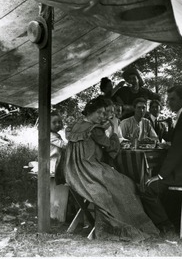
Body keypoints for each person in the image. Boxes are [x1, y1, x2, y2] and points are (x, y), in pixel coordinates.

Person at [58, 97, 159, 241]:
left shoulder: (75, 126)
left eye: (104, 113)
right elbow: (112, 149)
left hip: (72, 172)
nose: (102, 116)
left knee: (117, 183)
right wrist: (114, 132)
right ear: (90, 112)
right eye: (99, 113)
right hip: (89, 170)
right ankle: (127, 223)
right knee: (126, 183)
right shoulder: (94, 129)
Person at [140, 86, 182, 233]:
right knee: (158, 186)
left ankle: (166, 225)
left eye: (173, 99)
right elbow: (180, 145)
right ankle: (172, 221)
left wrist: (160, 176)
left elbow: (177, 151)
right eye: (168, 99)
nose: (169, 102)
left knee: (148, 188)